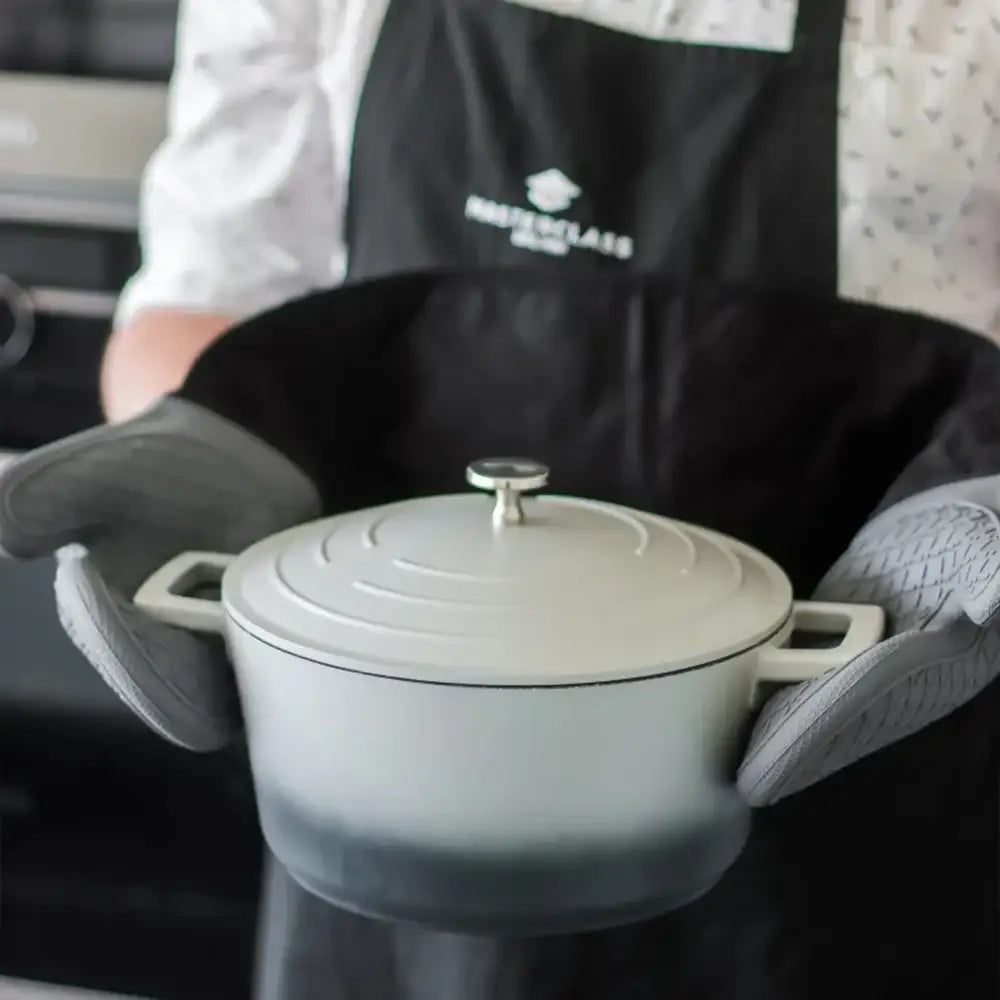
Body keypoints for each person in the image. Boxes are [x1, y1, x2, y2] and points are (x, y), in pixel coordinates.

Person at [17, 1, 1000, 998]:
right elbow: (207, 288)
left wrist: (972, 518)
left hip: (861, 751)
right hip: (379, 763)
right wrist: (224, 452)